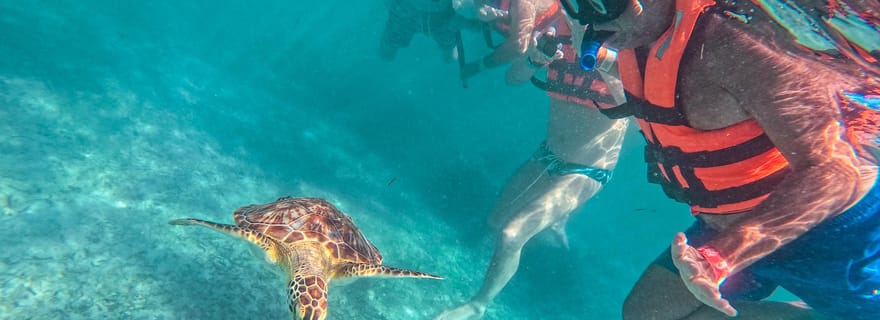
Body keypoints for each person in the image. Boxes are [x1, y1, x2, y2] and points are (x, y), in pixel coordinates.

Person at [551, 0, 880, 319]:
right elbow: (670, 103)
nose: (594, 20)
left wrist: (724, 255)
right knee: (646, 314)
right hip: (732, 227)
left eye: (607, 1)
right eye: (575, 2)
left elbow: (841, 172)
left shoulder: (739, 46)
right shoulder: (644, 39)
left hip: (834, 238)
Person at [435, 2, 630, 319]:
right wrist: (537, 57)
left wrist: (597, 55)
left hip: (587, 170)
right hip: (546, 156)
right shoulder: (551, 35)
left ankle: (478, 304)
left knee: (512, 234)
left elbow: (631, 101)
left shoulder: (614, 49)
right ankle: (553, 225)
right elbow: (514, 78)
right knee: (494, 224)